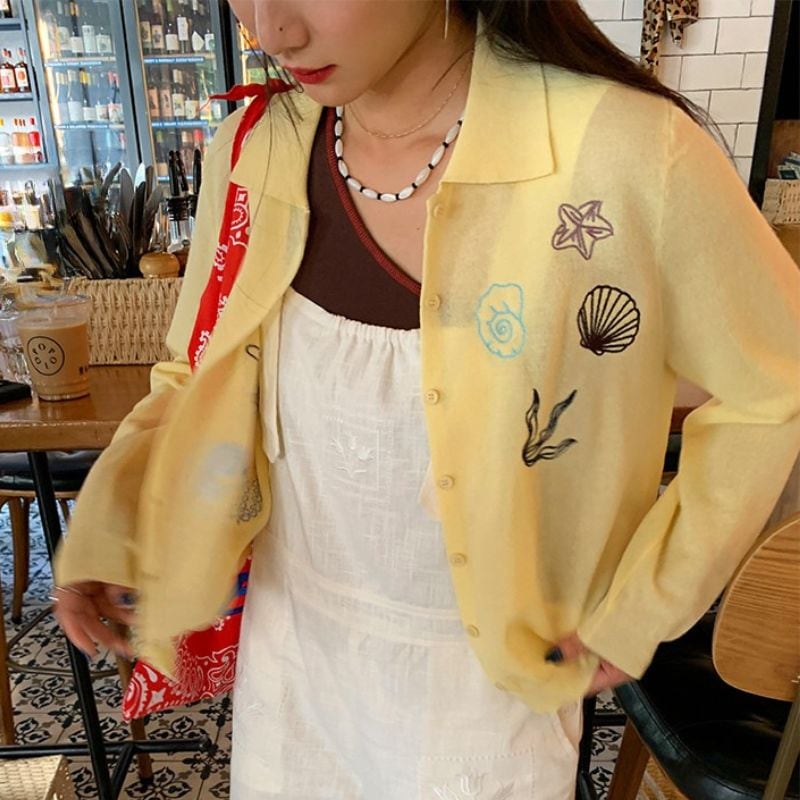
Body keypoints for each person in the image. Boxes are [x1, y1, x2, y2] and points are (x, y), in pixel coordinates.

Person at [51, 2, 800, 798]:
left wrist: (646, 604)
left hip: (487, 699)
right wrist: (116, 528)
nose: (272, 32)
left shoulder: (626, 150)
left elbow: (776, 385)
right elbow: (195, 369)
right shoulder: (255, 147)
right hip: (293, 659)